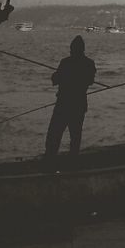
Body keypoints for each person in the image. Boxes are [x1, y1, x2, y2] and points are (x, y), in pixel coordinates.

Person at [44, 35, 96, 164]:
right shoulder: (89, 63)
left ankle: (50, 160)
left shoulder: (65, 62)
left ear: (72, 48)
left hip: (63, 103)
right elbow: (90, 81)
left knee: (54, 134)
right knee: (75, 135)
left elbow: (55, 80)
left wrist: (57, 74)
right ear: (83, 49)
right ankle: (73, 160)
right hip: (79, 104)